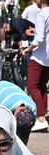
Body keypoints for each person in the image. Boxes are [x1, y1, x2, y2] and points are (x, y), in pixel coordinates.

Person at [24, 0, 49, 131]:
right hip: (48, 57)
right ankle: (43, 114)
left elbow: (39, 38)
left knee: (32, 85)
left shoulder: (41, 14)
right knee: (41, 86)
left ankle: (41, 118)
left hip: (39, 56)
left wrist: (28, 48)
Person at [0, 80, 36, 144]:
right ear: (14, 116)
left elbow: (26, 134)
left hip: (7, 86)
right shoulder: (3, 108)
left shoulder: (33, 107)